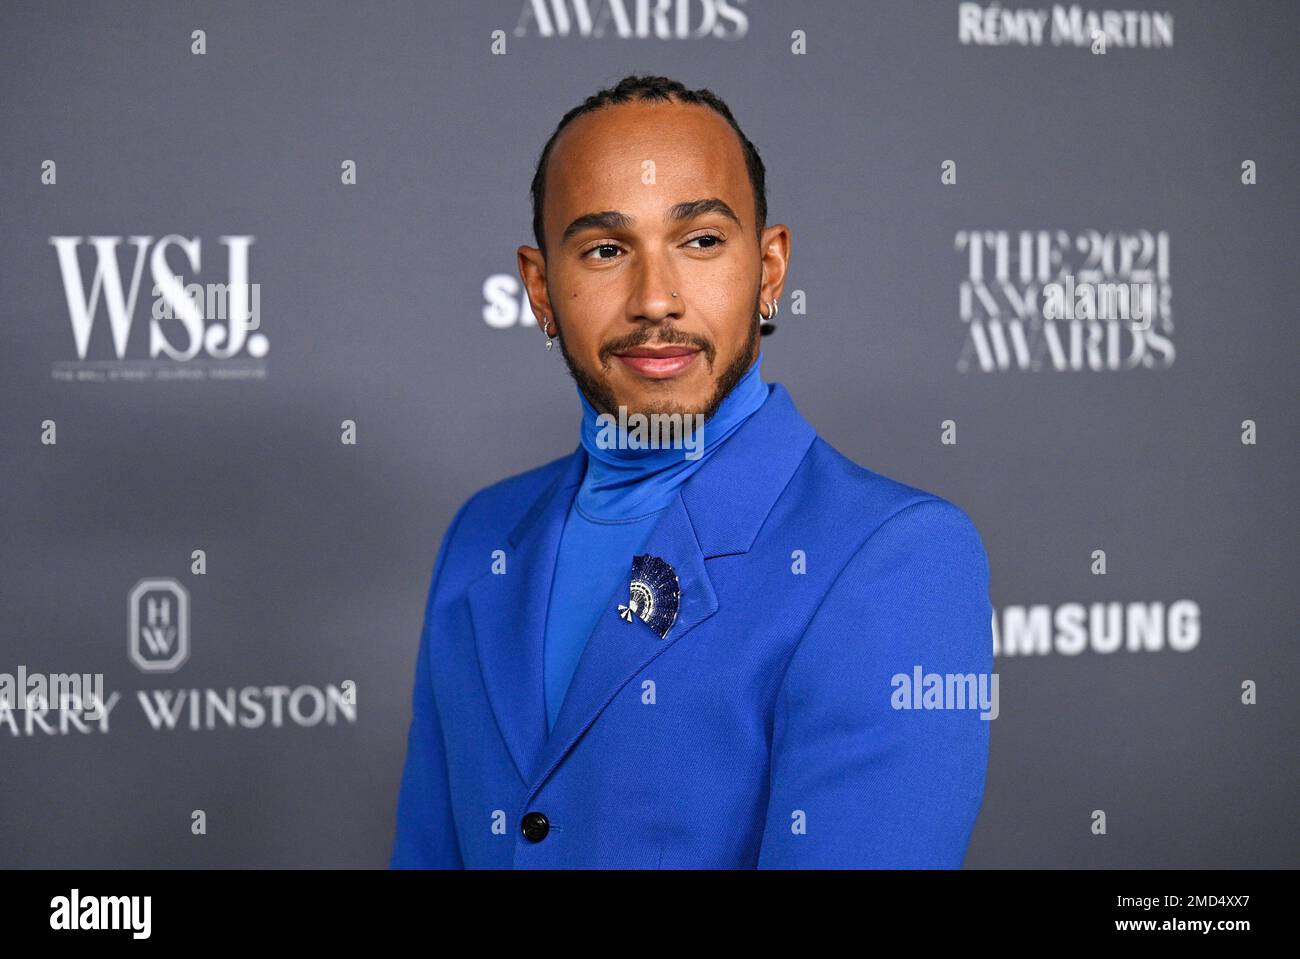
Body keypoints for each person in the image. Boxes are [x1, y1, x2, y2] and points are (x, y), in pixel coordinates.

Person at [390, 74, 993, 869]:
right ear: (540, 288)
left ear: (770, 269)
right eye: (606, 249)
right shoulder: (482, 534)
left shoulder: (898, 558)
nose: (656, 299)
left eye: (701, 240)